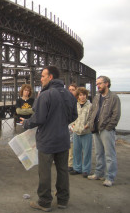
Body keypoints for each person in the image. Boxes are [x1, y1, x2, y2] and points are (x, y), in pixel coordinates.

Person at [21, 66, 77, 211]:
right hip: (63, 138)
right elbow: (74, 116)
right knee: (63, 170)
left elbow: (38, 119)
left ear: (50, 77)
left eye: (43, 76)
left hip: (47, 140)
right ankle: (63, 200)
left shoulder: (45, 95)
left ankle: (44, 202)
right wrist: (61, 123)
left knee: (45, 172)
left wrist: (26, 123)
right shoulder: (69, 94)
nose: (41, 78)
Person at [87, 76, 121, 187]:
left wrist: (109, 127)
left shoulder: (114, 97)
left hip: (106, 130)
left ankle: (109, 177)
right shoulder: (97, 97)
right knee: (98, 153)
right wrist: (90, 123)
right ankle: (98, 173)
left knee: (109, 155)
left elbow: (116, 115)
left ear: (106, 84)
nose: (98, 86)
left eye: (100, 83)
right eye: (97, 84)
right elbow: (92, 111)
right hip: (96, 129)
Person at [69, 87, 92, 178]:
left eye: (84, 95)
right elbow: (71, 116)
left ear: (86, 95)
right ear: (78, 96)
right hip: (76, 132)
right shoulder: (75, 105)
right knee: (76, 151)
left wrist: (87, 125)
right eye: (80, 95)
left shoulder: (90, 106)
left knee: (87, 152)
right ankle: (77, 168)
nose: (82, 97)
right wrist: (73, 125)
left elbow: (92, 118)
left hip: (86, 132)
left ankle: (86, 170)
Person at [68, 83, 78, 171]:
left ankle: (72, 164)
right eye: (69, 90)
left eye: (73, 90)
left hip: (76, 126)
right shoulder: (67, 100)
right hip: (68, 126)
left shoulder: (78, 100)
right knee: (69, 145)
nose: (71, 91)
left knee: (74, 146)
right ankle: (69, 163)